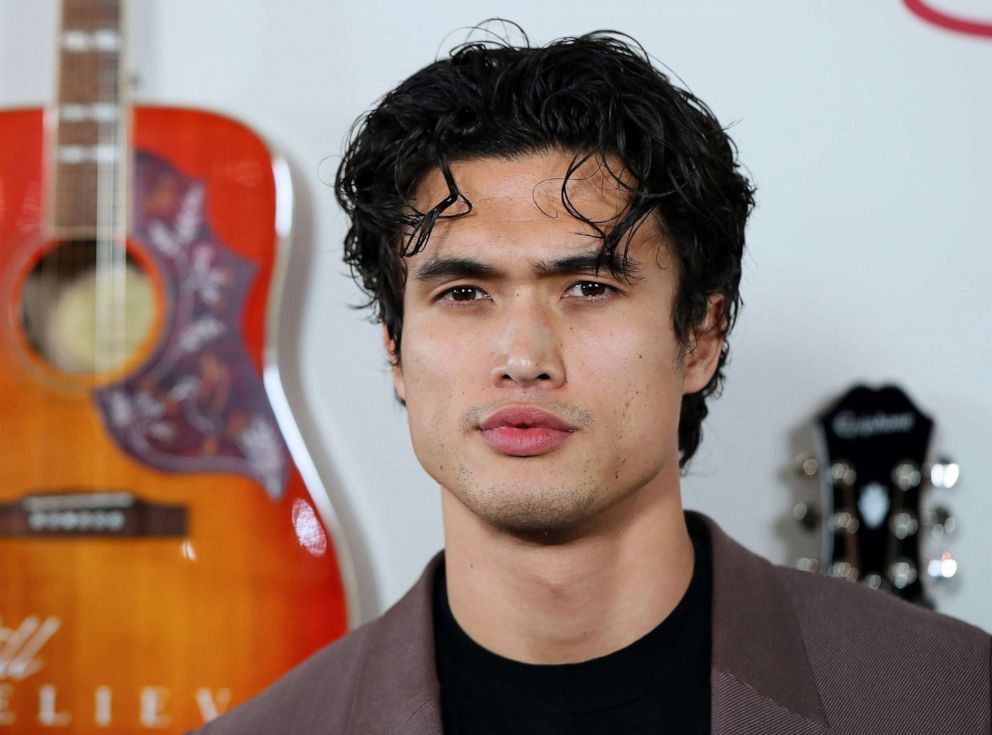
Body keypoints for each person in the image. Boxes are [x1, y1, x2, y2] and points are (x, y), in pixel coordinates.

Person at [193, 27, 991, 735]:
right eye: (463, 293)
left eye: (589, 288)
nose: (524, 355)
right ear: (395, 349)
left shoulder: (953, 698)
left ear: (700, 337)